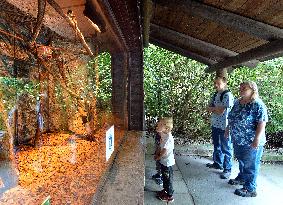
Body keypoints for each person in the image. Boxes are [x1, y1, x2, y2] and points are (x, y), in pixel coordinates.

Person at [226, 81, 268, 197]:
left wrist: (256, 139)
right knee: (242, 161)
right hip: (238, 139)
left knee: (251, 165)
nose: (241, 89)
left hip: (251, 142)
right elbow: (231, 118)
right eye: (241, 87)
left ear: (252, 90)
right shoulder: (238, 102)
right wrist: (227, 130)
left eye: (245, 88)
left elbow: (262, 123)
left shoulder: (257, 104)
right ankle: (242, 178)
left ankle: (250, 188)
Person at [206, 76, 234, 179]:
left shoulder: (227, 95)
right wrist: (215, 108)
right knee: (216, 145)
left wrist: (213, 108)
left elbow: (220, 111)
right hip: (215, 124)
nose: (216, 85)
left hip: (225, 126)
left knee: (226, 148)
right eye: (215, 83)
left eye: (218, 83)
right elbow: (208, 108)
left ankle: (227, 169)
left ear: (225, 84)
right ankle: (217, 163)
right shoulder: (215, 95)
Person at [154, 117, 175, 202]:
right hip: (164, 161)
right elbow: (160, 145)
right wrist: (157, 153)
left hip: (167, 163)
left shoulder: (168, 139)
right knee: (164, 177)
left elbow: (164, 151)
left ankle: (169, 195)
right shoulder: (163, 134)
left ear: (167, 128)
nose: (158, 125)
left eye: (160, 124)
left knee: (168, 179)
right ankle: (165, 191)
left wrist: (158, 157)